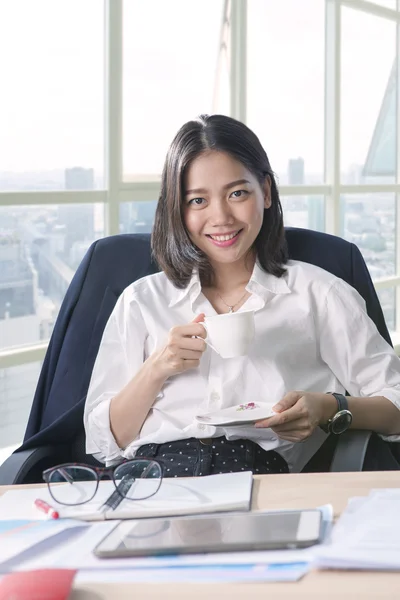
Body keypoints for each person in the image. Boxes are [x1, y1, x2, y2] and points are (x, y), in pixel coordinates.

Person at [84, 114, 400, 476]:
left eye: (237, 193)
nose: (221, 217)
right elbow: (105, 443)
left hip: (261, 480)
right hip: (151, 483)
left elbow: (396, 403)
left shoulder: (318, 294)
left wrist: (329, 407)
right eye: (197, 200)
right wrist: (158, 367)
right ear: (177, 209)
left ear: (265, 192)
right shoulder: (141, 301)